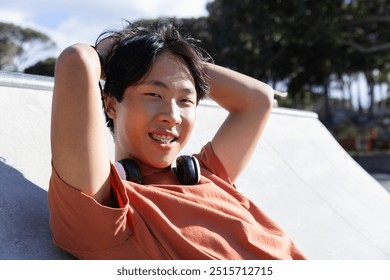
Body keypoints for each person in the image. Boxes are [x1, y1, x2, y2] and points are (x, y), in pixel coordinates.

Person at [48, 21, 306, 260]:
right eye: (153, 94)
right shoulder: (108, 210)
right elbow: (76, 61)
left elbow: (258, 99)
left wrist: (173, 57)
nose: (172, 116)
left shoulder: (209, 174)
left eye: (185, 100)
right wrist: (114, 53)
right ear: (112, 104)